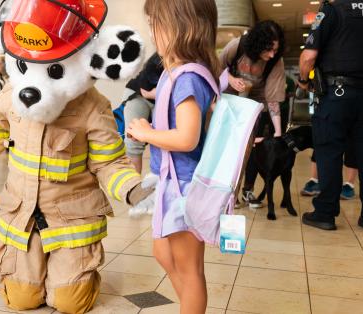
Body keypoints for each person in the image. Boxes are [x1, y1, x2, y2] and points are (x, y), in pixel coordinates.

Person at [127, 0, 220, 312]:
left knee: (189, 269)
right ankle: (189, 305)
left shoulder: (187, 78)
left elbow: (186, 137)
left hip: (185, 185)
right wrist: (148, 127)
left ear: (184, 25)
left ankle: (191, 306)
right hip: (170, 181)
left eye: (157, 22)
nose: (151, 31)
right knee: (163, 254)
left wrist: (145, 134)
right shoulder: (173, 73)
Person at [298, 0, 363, 231]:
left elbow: (308, 57)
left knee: (328, 151)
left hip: (337, 94)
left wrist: (304, 81)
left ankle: (325, 213)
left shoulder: (332, 10)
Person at [219, 20, 286, 208]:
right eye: (268, 49)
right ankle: (225, 192)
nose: (272, 54)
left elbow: (272, 98)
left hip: (253, 106)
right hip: (227, 103)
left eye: (275, 50)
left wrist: (278, 132)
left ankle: (246, 190)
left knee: (250, 149)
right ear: (257, 43)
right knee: (227, 151)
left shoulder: (275, 61)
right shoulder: (237, 46)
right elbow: (216, 69)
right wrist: (231, 79)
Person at [123, 52, 164, 172]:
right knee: (133, 143)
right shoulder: (158, 59)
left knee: (162, 140)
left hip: (159, 97)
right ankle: (134, 188)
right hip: (138, 94)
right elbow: (145, 90)